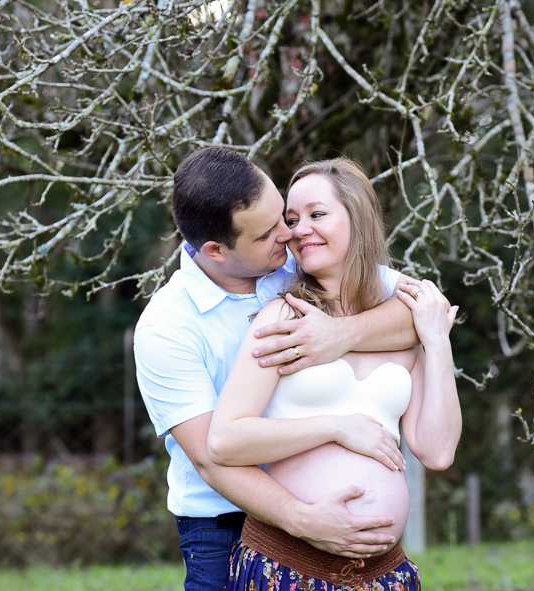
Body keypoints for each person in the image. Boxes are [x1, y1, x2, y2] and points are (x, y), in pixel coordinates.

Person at [134, 147, 421, 591]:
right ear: (215, 250)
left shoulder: (295, 260)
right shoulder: (166, 329)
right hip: (223, 524)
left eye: (283, 219)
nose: (288, 236)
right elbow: (214, 459)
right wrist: (302, 518)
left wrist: (342, 335)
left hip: (326, 509)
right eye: (269, 232)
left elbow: (423, 310)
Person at [207, 157, 462, 589]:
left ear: (357, 218)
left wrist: (437, 342)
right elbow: (226, 439)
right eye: (291, 219)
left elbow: (437, 452)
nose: (298, 229)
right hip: (287, 567)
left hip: (382, 576)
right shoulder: (284, 318)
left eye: (316, 214)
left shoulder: (401, 325)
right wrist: (337, 428)